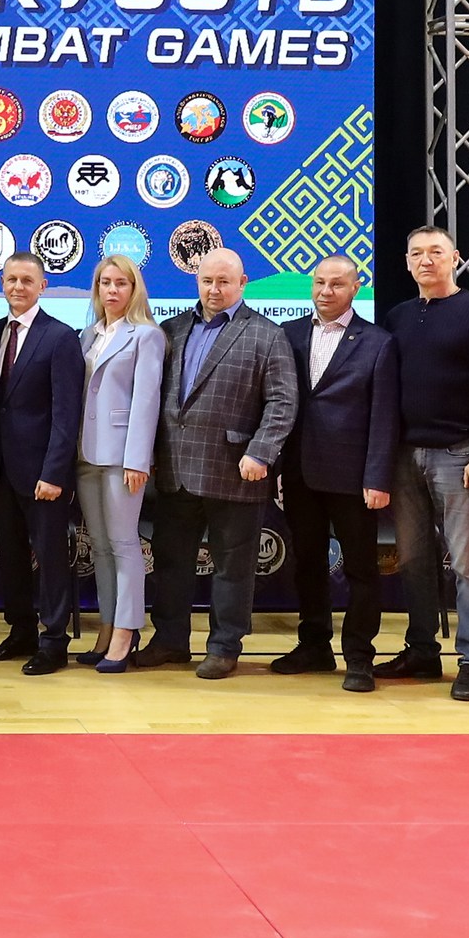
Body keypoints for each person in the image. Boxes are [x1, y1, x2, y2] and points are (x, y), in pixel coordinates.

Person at [147, 247, 297, 678]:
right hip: (175, 469)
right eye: (207, 281)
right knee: (171, 562)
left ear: (242, 283)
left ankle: (225, 646)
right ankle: (170, 641)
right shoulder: (172, 329)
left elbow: (283, 402)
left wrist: (261, 451)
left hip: (236, 470)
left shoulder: (267, 334)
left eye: (224, 281)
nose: (214, 289)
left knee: (233, 568)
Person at [380, 225, 469, 700]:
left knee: (468, 564)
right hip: (406, 456)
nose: (426, 260)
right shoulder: (397, 316)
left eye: (436, 251)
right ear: (407, 262)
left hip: (460, 456)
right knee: (414, 560)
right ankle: (422, 651)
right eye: (417, 253)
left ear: (454, 258)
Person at [273, 255, 399, 691]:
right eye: (319, 283)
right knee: (307, 564)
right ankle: (314, 646)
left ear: (356, 288)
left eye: (337, 284)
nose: (326, 291)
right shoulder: (288, 334)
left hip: (354, 477)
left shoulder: (378, 342)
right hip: (300, 472)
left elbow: (385, 416)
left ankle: (359, 657)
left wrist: (378, 478)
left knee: (361, 569)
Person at [0, 252, 85, 675]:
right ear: (2, 284)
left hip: (43, 473)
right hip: (1, 471)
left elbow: (66, 414)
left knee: (50, 557)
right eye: (11, 280)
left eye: (27, 280)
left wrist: (54, 473)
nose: (18, 287)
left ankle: (54, 640)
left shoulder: (60, 337)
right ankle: (21, 630)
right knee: (11, 556)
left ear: (42, 286)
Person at [76, 255, 165, 672]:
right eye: (105, 283)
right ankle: (107, 627)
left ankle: (127, 632)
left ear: (134, 289)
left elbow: (146, 401)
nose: (112, 290)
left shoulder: (147, 335)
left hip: (123, 458)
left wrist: (137, 459)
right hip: (85, 454)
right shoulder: (88, 335)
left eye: (121, 283)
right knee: (100, 547)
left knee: (124, 544)